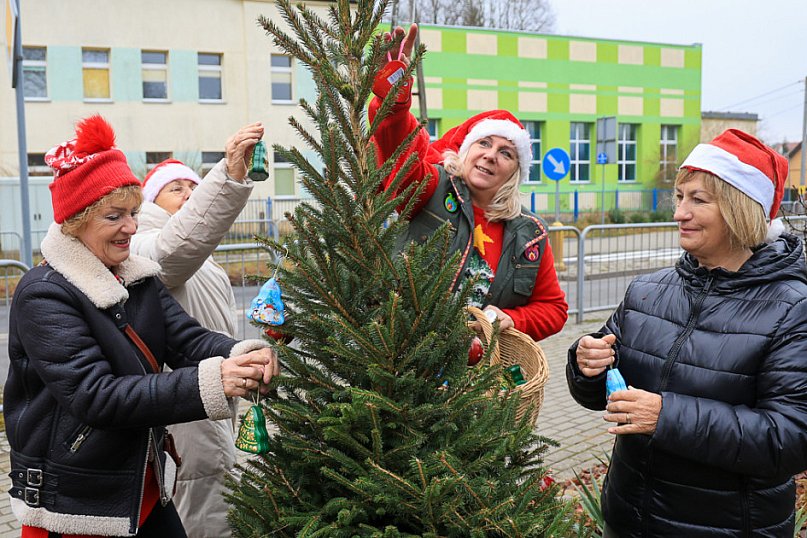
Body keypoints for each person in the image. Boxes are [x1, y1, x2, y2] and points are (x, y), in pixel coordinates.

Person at [4, 115, 279, 537]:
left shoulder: (136, 275)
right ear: (77, 221)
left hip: (145, 485)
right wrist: (213, 381)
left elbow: (186, 341)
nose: (131, 227)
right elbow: (95, 396)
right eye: (115, 216)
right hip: (79, 502)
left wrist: (239, 354)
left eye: (133, 212)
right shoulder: (43, 293)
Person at [566, 129, 807, 537]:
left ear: (739, 208)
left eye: (698, 199)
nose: (679, 212)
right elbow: (605, 393)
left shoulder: (792, 307)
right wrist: (585, 363)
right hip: (630, 519)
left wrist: (666, 416)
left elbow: (789, 438)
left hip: (728, 527)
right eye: (679, 197)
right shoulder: (648, 290)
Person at [369, 24, 567, 341]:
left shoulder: (530, 234)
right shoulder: (432, 187)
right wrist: (394, 96)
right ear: (466, 151)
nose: (491, 156)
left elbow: (554, 309)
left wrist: (514, 319)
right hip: (407, 365)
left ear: (515, 171)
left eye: (506, 153)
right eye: (484, 144)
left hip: (481, 382)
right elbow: (398, 149)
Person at [130, 123, 263, 538]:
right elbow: (179, 245)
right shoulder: (145, 246)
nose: (189, 194)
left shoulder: (204, 261)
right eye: (177, 189)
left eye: (193, 186)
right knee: (197, 495)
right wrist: (226, 177)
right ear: (151, 203)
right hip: (184, 401)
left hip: (216, 394)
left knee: (218, 485)